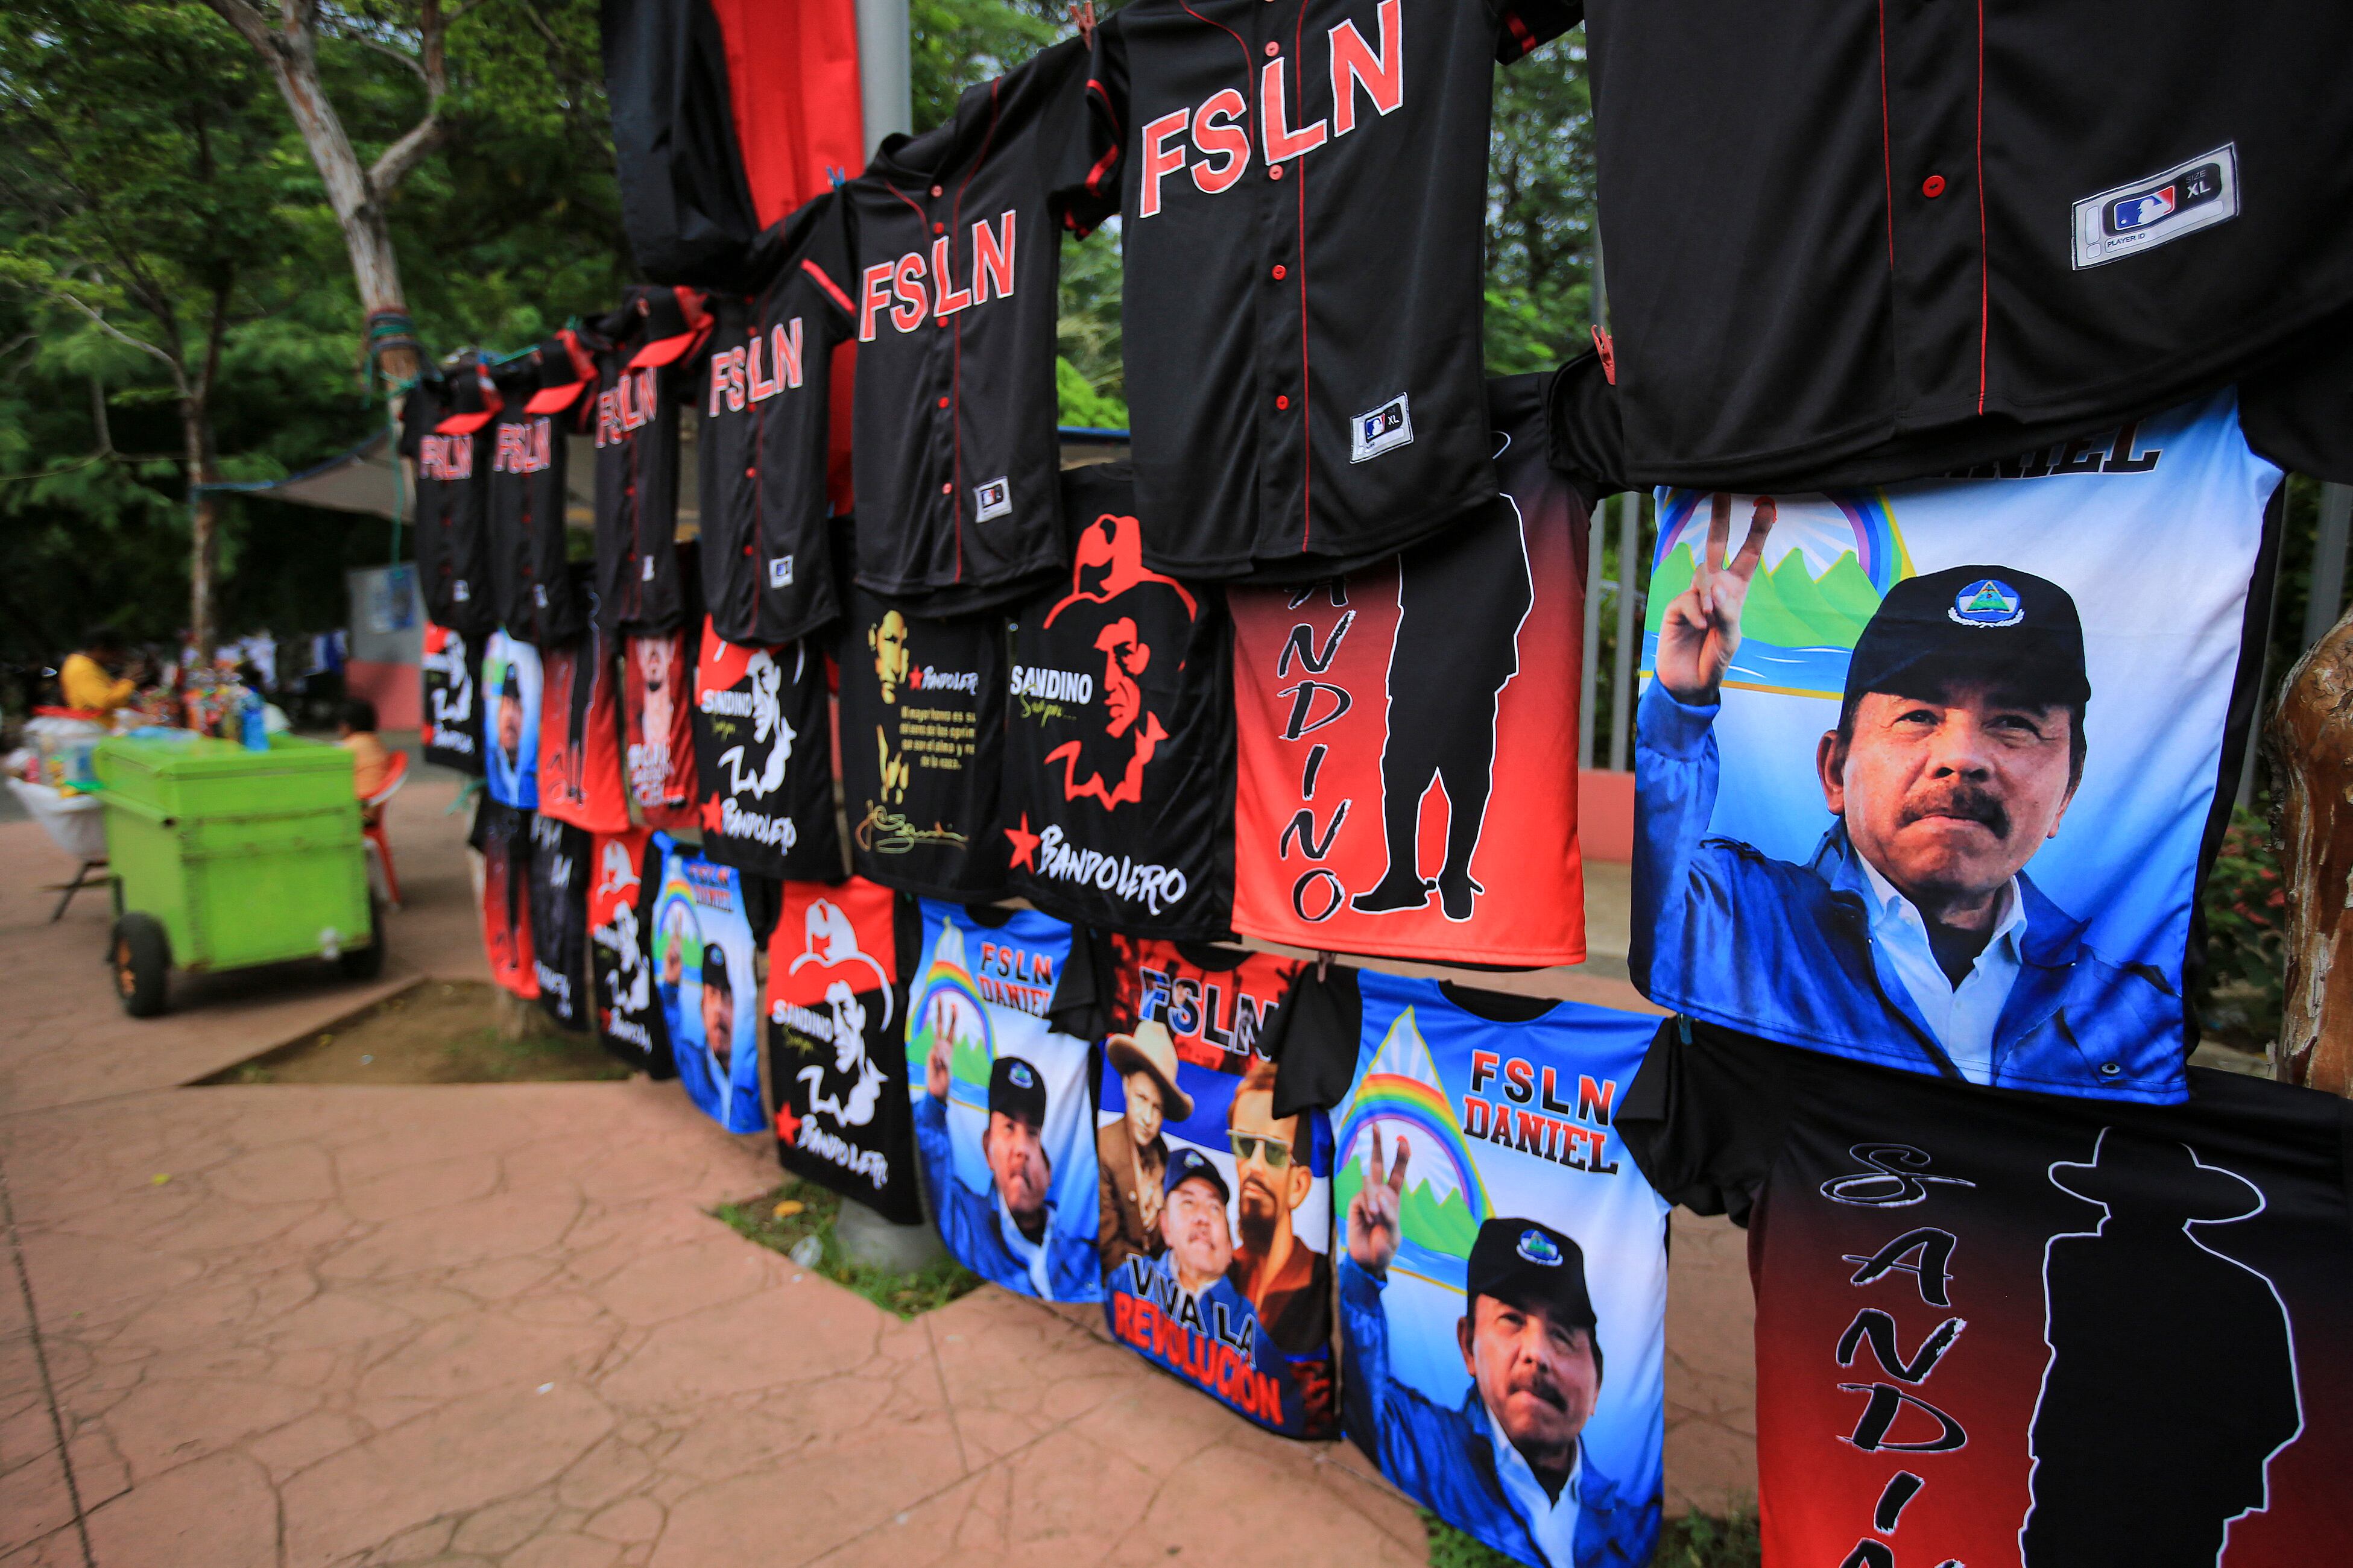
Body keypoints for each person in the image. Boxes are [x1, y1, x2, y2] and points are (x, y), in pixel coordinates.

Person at [1635, 494, 2178, 1094]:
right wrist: (1679, 708)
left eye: (2013, 724)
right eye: (1918, 716)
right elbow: (1658, 886)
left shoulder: (2129, 1014)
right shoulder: (1732, 921)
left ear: (2066, 793)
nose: (1961, 759)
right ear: (1834, 772)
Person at [1341, 1131, 1653, 1568]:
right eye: (1512, 1320)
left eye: (1562, 1335)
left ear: (1597, 1381)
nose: (1536, 1353)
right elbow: (1364, 1403)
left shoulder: (1632, 1523)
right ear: (1469, 1344)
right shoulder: (1425, 1450)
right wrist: (1364, 1271)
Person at [1352, 499, 1533, 921]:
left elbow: (1520, 592)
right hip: (1419, 662)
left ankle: (1455, 875)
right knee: (1401, 774)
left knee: (1466, 778)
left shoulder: (1498, 512)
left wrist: (1487, 642)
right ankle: (1402, 878)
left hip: (1473, 667)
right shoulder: (1420, 502)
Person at [914, 1039, 1096, 1298]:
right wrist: (934, 1103)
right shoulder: (967, 1223)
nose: (1022, 1148)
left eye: (1032, 1133)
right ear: (988, 1146)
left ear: (1049, 1172)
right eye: (1009, 1128)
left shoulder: (1082, 1254)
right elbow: (934, 1166)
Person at [1225, 1056, 1332, 1356]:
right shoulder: (1220, 1271)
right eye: (1244, 1145)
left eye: (1273, 1151)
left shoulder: (1318, 1280)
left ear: (1299, 1186)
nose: (1253, 1167)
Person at [1097, 1021, 1190, 1271]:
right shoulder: (1105, 1148)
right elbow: (1107, 1246)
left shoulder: (1163, 1157)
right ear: (1127, 1086)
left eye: (1157, 1108)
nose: (1148, 1118)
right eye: (1142, 1098)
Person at [58, 626, 142, 714]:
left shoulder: (88, 664)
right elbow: (105, 703)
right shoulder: (81, 669)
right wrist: (129, 681)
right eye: (115, 653)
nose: (116, 658)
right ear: (100, 648)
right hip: (98, 725)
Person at [337, 698, 395, 814]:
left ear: (347, 725)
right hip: (372, 808)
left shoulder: (352, 747)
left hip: (359, 810)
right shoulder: (374, 742)